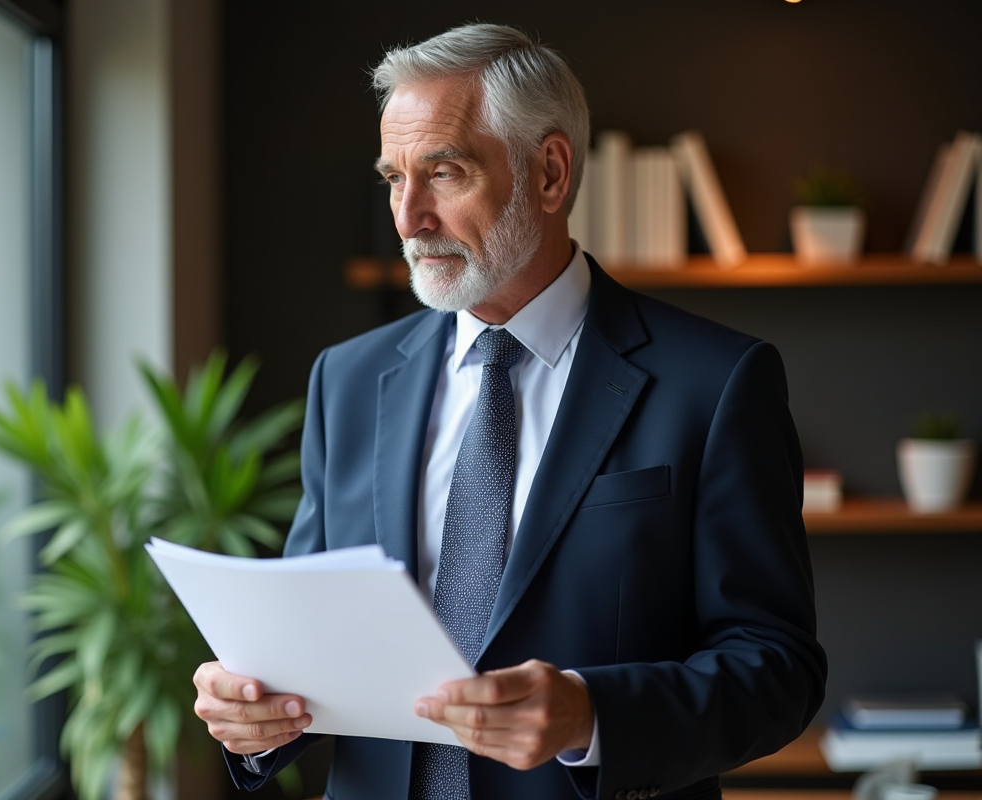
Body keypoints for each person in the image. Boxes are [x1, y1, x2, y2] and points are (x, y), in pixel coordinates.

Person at [193, 22, 827, 800]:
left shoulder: (718, 380)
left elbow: (776, 667)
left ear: (550, 173)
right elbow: (308, 646)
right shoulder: (348, 380)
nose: (408, 218)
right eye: (394, 178)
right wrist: (255, 716)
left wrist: (592, 716)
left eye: (444, 173)